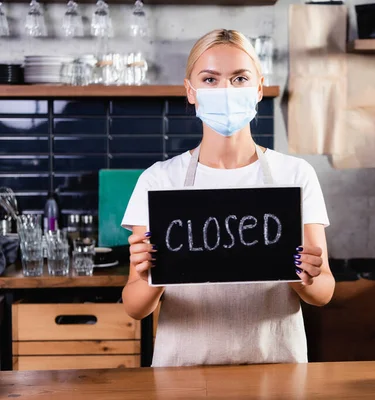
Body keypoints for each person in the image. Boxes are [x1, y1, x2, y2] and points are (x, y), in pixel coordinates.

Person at [121, 29, 335, 367]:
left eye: (239, 78)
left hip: (275, 368)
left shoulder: (296, 175)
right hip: (183, 372)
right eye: (210, 79)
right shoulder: (159, 180)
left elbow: (324, 292)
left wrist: (306, 278)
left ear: (259, 88)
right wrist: (149, 275)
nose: (225, 91)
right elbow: (135, 307)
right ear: (190, 91)